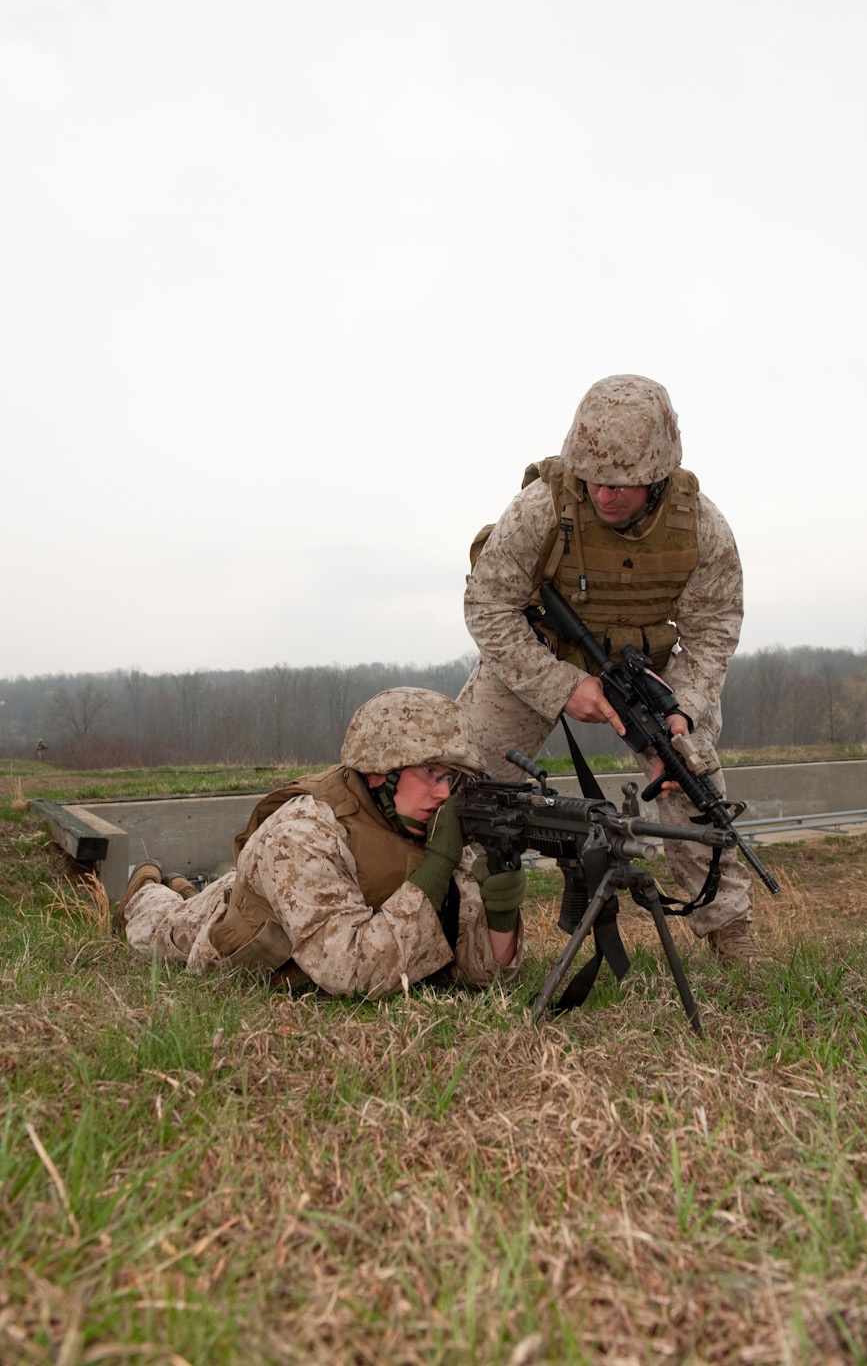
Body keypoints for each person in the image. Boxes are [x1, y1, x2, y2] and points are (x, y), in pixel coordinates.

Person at [459, 373, 756, 962]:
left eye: (623, 483)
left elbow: (714, 629)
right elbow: (486, 605)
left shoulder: (703, 528)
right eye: (592, 478)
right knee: (463, 778)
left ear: (659, 476)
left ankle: (732, 937)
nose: (604, 494)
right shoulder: (539, 509)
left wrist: (684, 713)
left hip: (648, 675)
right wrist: (562, 687)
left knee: (691, 779)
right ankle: (459, 933)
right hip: (539, 659)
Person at [113, 688, 524, 996]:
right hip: (242, 927)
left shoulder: (429, 822)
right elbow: (352, 972)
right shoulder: (300, 834)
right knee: (162, 926)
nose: (444, 794)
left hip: (297, 898)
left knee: (201, 896)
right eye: (433, 772)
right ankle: (145, 890)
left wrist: (500, 910)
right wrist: (437, 864)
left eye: (455, 778)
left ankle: (183, 888)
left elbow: (479, 972)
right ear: (381, 771)